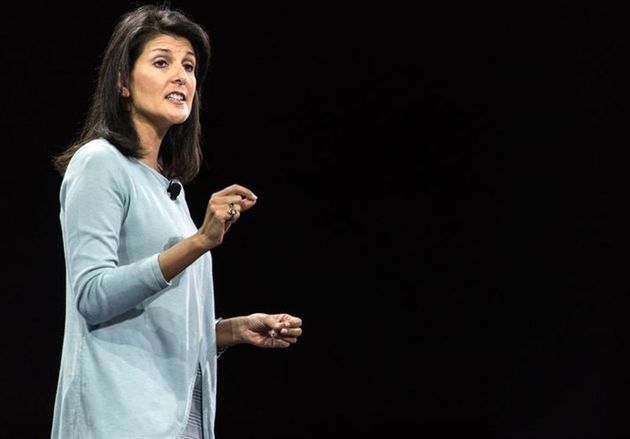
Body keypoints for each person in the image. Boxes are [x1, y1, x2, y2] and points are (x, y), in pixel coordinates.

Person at [49, 4, 303, 438]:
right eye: (162, 62)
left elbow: (153, 319)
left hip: (181, 420)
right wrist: (199, 241)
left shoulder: (169, 189)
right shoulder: (99, 163)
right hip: (118, 420)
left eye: (189, 67)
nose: (181, 77)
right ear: (122, 82)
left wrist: (228, 331)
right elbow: (91, 295)